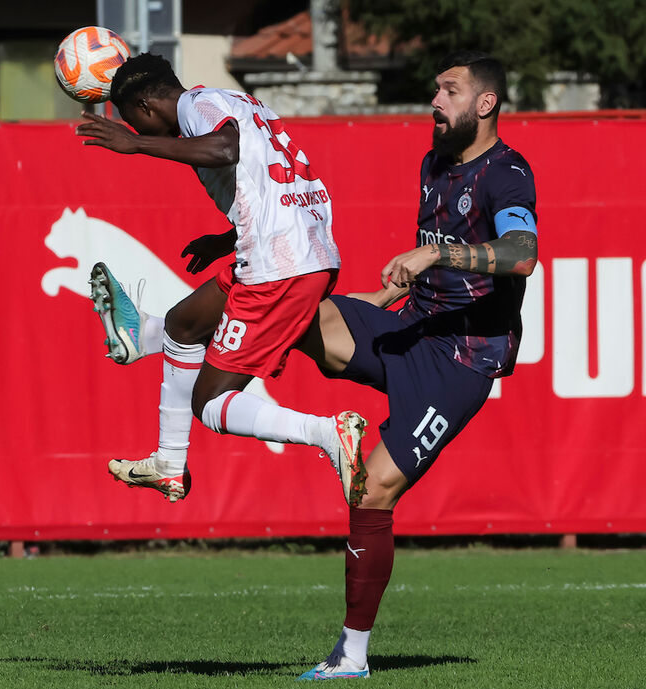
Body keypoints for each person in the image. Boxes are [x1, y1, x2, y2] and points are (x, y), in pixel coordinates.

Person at [290, 50, 539, 679]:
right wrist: (382, 298)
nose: (435, 102)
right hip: (410, 326)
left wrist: (437, 258)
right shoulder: (433, 164)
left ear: (485, 104)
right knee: (300, 308)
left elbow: (521, 254)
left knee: (372, 489)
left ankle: (351, 656)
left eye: (449, 92)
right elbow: (429, 271)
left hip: (460, 362)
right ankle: (157, 333)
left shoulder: (508, 173)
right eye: (435, 90)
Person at [75, 53, 368, 508]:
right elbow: (269, 181)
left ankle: (328, 434)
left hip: (279, 266)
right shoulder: (236, 100)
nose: (134, 128)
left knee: (209, 403)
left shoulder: (197, 106)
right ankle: (168, 457)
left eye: (131, 118)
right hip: (291, 249)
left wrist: (134, 145)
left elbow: (224, 149)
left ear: (145, 106)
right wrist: (227, 237)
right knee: (184, 326)